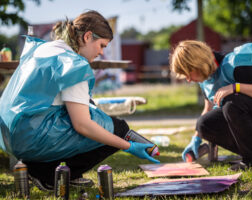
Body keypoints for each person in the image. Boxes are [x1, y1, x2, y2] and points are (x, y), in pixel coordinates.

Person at [0, 10, 159, 191]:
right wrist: (128, 145)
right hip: (32, 137)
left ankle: (42, 167)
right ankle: (47, 174)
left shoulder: (44, 48)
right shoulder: (73, 64)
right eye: (102, 45)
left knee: (91, 107)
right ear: (88, 36)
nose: (101, 52)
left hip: (9, 135)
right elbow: (83, 126)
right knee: (117, 129)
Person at [170, 40, 252, 170]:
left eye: (188, 73)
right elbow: (208, 109)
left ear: (198, 64)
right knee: (204, 124)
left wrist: (235, 87)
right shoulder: (205, 79)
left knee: (231, 101)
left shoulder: (234, 64)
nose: (188, 79)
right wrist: (196, 138)